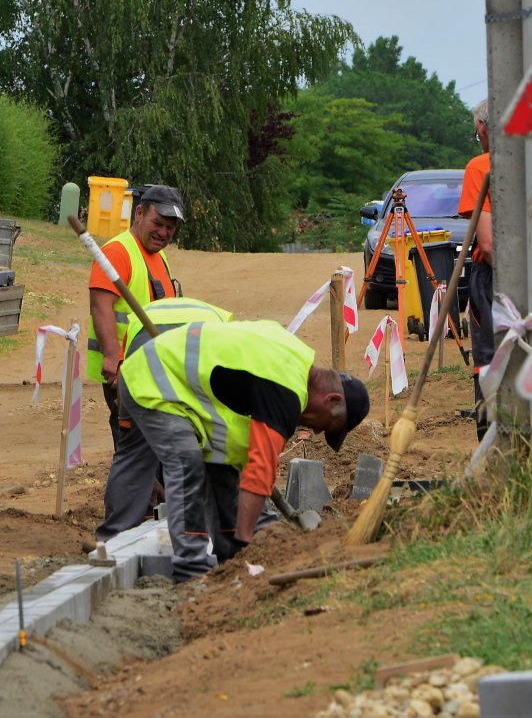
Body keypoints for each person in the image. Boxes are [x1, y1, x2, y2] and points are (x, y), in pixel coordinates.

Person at [119, 319, 369, 582]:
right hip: (153, 378)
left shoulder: (295, 360)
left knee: (224, 463)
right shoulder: (287, 390)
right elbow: (261, 469)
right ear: (331, 399)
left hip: (185, 389)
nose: (318, 432)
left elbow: (252, 459)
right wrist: (248, 538)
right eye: (328, 424)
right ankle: (191, 570)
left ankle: (231, 557)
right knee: (185, 461)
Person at [94, 295, 234, 543]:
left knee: (132, 453)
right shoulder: (224, 325)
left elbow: (126, 373)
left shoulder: (140, 319)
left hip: (142, 353)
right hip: (198, 351)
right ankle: (220, 526)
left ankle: (112, 539)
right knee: (217, 444)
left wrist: (129, 421)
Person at [87, 184, 186, 451]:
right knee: (133, 449)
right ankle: (134, 493)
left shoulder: (157, 255)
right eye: (158, 223)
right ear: (139, 213)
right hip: (125, 370)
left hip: (150, 368)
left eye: (170, 228)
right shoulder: (118, 252)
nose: (163, 233)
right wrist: (112, 358)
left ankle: (153, 492)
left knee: (152, 444)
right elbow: (101, 305)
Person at [455, 100, 495, 436]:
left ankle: (491, 444)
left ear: (482, 127)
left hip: (493, 280)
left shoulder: (481, 167)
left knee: (489, 360)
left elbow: (488, 243)